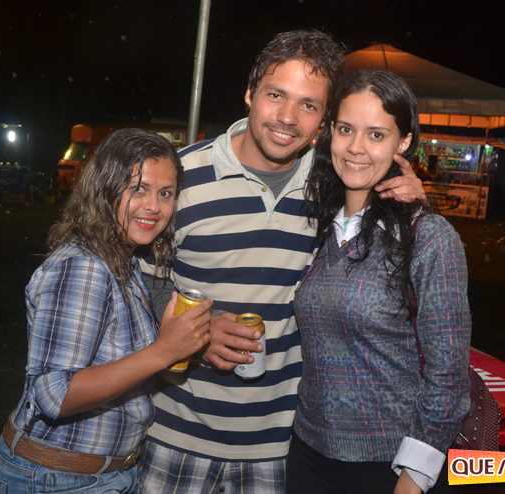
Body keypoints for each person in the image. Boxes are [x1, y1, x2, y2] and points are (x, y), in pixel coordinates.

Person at [137, 30, 427, 493]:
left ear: (324, 120)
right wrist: (196, 331)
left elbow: (407, 241)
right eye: (276, 95)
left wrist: (412, 197)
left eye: (309, 105)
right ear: (250, 93)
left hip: (278, 450)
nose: (288, 118)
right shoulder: (182, 177)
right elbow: (142, 285)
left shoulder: (336, 186)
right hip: (175, 436)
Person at [0, 129, 212, 494]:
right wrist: (163, 352)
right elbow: (54, 395)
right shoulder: (84, 265)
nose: (154, 206)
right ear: (105, 189)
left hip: (97, 476)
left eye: (165, 193)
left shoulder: (124, 261)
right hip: (54, 479)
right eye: (138, 188)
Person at [286, 69, 471, 493]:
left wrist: (414, 476)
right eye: (345, 129)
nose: (356, 147)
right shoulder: (318, 226)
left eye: (376, 135)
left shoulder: (428, 238)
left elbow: (448, 376)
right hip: (309, 454)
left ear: (402, 143)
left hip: (389, 465)